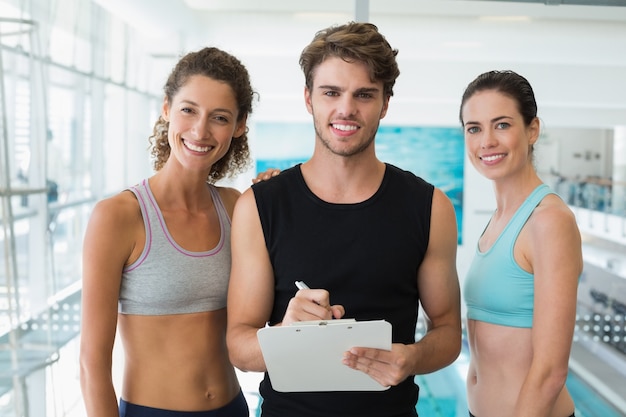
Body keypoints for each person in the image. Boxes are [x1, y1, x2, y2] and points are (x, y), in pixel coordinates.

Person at [226, 22, 462, 417]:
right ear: (308, 99)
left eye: (364, 95)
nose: (346, 109)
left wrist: (412, 358)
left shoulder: (430, 207)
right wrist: (285, 335)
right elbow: (239, 347)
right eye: (331, 92)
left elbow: (449, 332)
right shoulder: (261, 206)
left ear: (385, 103)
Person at [79, 46, 256, 417]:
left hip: (233, 408)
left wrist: (272, 199)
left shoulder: (236, 206)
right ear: (166, 109)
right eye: (188, 110)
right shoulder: (119, 216)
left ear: (239, 126)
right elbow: (92, 363)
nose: (200, 130)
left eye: (219, 117)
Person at [459, 70, 582, 417]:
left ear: (532, 130)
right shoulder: (499, 219)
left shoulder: (549, 221)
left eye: (501, 125)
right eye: (474, 128)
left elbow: (550, 373)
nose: (486, 142)